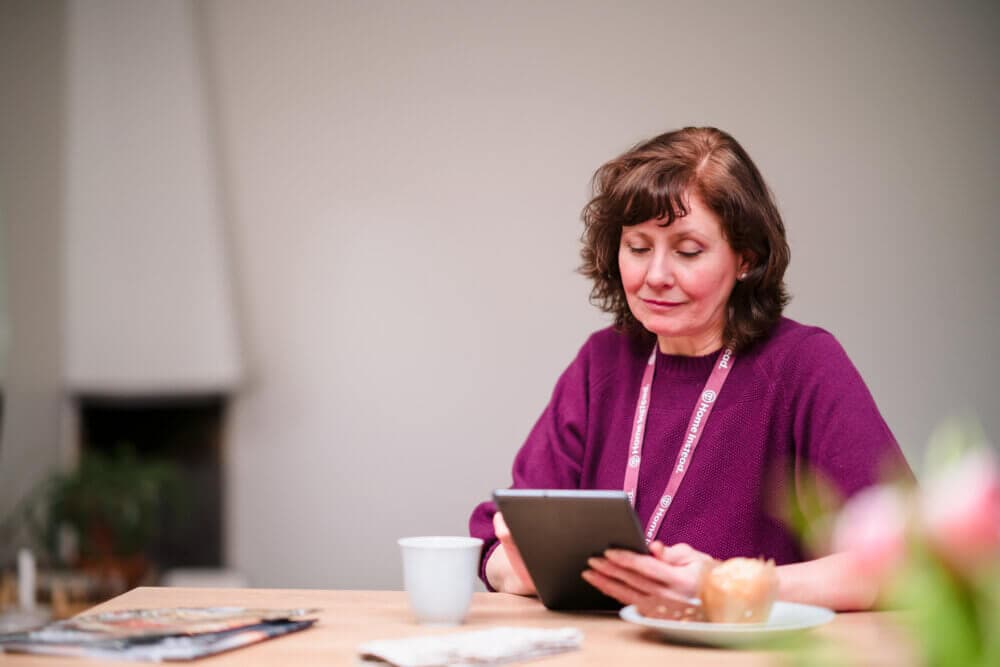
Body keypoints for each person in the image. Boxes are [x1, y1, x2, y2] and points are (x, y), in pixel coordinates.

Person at [468, 127, 913, 611]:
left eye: (687, 251)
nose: (656, 275)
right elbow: (496, 540)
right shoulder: (602, 362)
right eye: (638, 248)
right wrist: (521, 568)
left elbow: (907, 563)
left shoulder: (803, 364)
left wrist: (721, 584)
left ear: (746, 257)